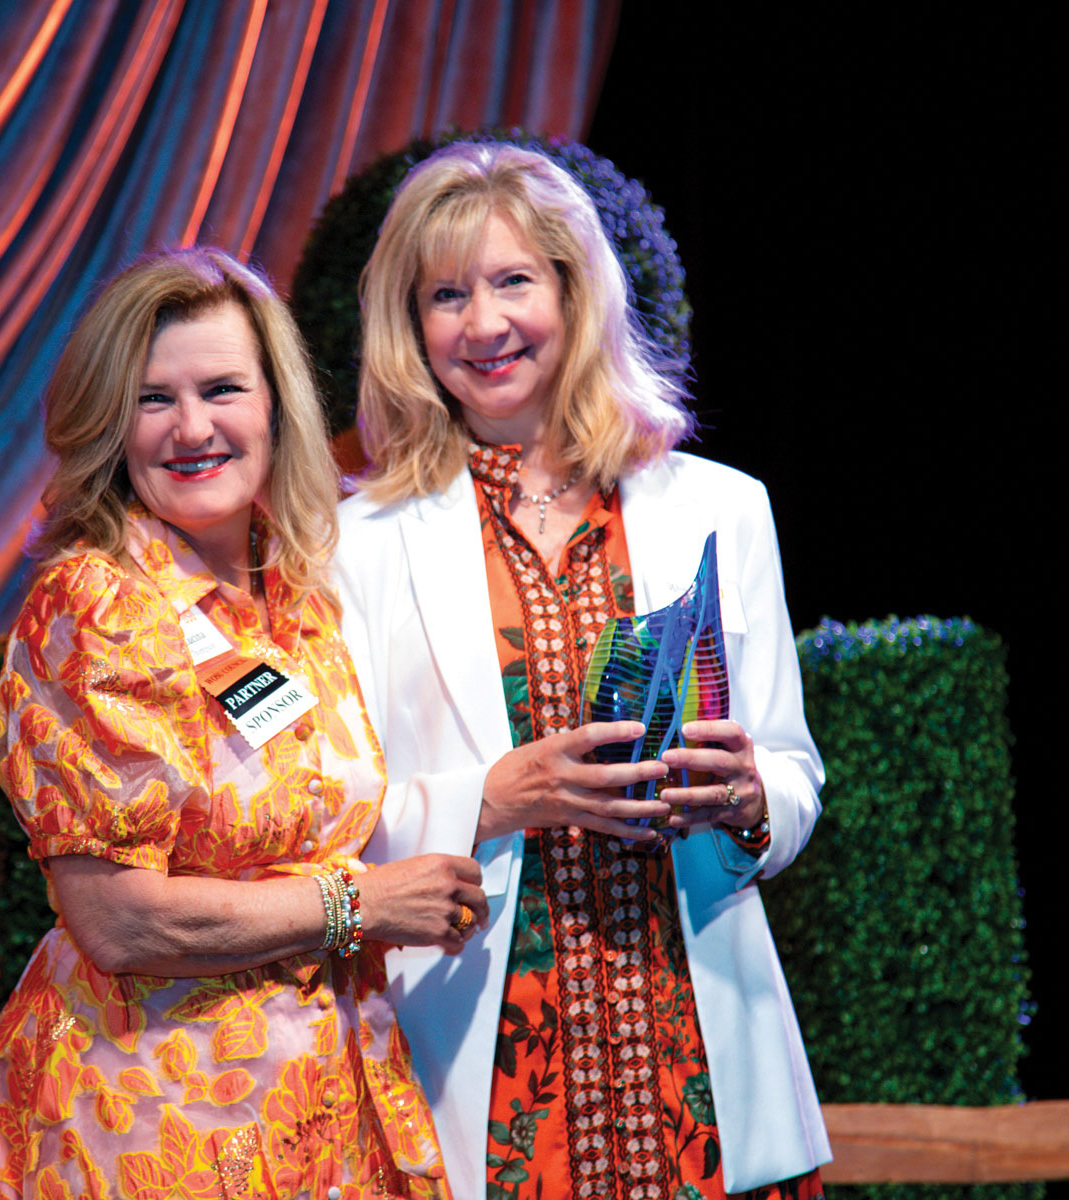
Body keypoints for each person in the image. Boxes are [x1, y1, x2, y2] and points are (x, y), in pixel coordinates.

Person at [333, 143, 830, 1200]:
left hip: (702, 1061)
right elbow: (330, 814)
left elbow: (794, 772)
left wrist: (749, 799)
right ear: (408, 327)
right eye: (446, 296)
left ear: (574, 291)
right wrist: (491, 799)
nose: (483, 324)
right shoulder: (354, 544)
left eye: (514, 281)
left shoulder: (721, 505)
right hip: (487, 1072)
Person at [0, 247, 487, 1200]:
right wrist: (361, 905)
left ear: (276, 405)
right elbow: (117, 921)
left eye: (222, 390)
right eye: (153, 399)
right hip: (161, 1118)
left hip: (324, 1099)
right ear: (109, 424)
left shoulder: (298, 596)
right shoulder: (99, 604)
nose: (193, 427)